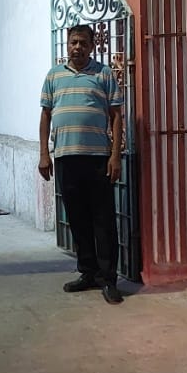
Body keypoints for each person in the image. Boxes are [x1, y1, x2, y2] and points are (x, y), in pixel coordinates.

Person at [38, 23, 124, 305]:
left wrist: (115, 155)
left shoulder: (104, 74)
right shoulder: (54, 76)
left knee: (103, 220)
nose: (78, 47)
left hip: (98, 158)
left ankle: (108, 279)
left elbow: (116, 115)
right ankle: (88, 272)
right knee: (77, 218)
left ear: (92, 46)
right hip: (66, 157)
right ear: (67, 44)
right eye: (73, 42)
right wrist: (44, 154)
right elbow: (46, 116)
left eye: (83, 43)